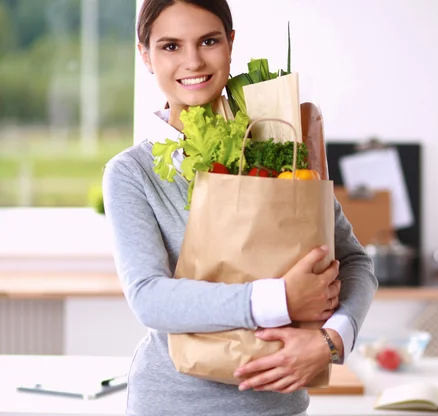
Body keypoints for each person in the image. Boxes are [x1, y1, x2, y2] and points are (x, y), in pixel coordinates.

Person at [102, 0, 378, 415]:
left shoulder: (281, 147)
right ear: (145, 55)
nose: (192, 61)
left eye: (208, 41)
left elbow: (355, 260)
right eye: (170, 46)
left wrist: (334, 338)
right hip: (173, 404)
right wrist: (282, 299)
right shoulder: (132, 173)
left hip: (279, 405)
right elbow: (150, 299)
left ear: (231, 44)